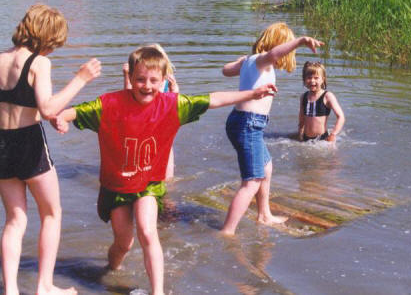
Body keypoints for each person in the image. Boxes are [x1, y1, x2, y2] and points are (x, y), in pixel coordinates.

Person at [52, 46, 276, 295]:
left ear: (163, 81)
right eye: (140, 79)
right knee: (124, 243)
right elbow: (78, 110)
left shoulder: (172, 104)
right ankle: (111, 269)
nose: (146, 86)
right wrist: (62, 117)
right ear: (131, 78)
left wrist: (252, 93)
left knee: (148, 232)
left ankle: (157, 291)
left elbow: (212, 99)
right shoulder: (111, 104)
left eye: (153, 80)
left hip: (148, 184)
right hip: (116, 187)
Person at [0, 4, 101, 295]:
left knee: (15, 219)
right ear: (48, 37)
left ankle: (11, 291)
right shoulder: (39, 63)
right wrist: (81, 78)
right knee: (51, 213)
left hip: (2, 144)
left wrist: (54, 114)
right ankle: (44, 286)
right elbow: (45, 108)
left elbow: (20, 104)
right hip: (29, 145)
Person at [220, 22, 323, 235]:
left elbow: (225, 71)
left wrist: (241, 63)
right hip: (248, 124)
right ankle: (227, 231)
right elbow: (275, 53)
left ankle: (264, 215)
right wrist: (302, 41)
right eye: (288, 47)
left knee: (266, 168)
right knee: (252, 181)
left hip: (243, 123)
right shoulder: (264, 60)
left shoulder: (251, 61)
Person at [123, 44, 179, 181]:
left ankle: (167, 178)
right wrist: (126, 76)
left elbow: (176, 102)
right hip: (144, 122)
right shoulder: (144, 79)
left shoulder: (166, 79)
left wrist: (174, 88)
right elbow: (127, 96)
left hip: (161, 123)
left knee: (166, 148)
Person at [297, 62, 345, 144]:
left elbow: (341, 117)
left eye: (316, 78)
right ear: (304, 79)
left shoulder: (327, 96)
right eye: (309, 77)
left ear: (323, 79)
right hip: (306, 139)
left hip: (322, 140)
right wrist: (300, 133)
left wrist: (333, 134)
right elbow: (301, 118)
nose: (312, 81)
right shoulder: (304, 97)